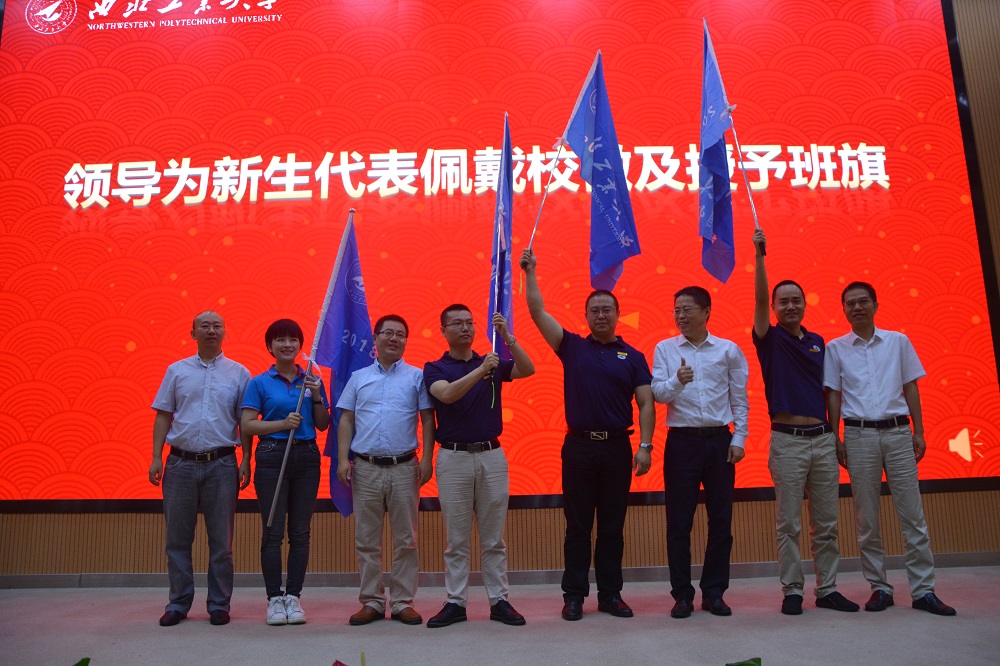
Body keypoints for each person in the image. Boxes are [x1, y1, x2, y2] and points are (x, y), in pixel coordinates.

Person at [520, 248, 655, 622]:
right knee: (577, 526)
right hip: (578, 447)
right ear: (586, 316)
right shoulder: (572, 347)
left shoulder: (634, 356)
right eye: (594, 310)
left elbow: (646, 403)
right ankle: (574, 596)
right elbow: (537, 312)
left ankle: (611, 595)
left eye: (607, 309)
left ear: (617, 314)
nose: (601, 315)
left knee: (612, 526)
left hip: (617, 448)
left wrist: (645, 446)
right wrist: (530, 273)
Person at [824, 281, 955, 616]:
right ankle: (879, 587)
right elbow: (834, 395)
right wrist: (836, 437)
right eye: (850, 303)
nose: (857, 307)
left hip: (899, 434)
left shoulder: (898, 341)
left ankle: (924, 590)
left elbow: (910, 386)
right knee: (867, 518)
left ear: (876, 305)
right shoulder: (835, 349)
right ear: (844, 309)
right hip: (859, 437)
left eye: (863, 301)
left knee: (913, 516)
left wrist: (919, 431)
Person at [751, 228, 858, 615]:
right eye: (783, 301)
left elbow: (831, 393)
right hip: (788, 441)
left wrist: (836, 436)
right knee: (789, 523)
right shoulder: (769, 338)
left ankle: (827, 589)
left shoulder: (818, 343)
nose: (790, 306)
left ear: (805, 304)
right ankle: (792, 590)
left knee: (827, 523)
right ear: (774, 307)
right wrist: (760, 257)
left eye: (796, 300)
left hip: (822, 440)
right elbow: (759, 299)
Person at [422, 306, 535, 628]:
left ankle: (499, 600)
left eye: (470, 323)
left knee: (494, 539)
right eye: (457, 323)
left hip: (491, 456)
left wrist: (507, 337)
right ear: (443, 331)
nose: (465, 328)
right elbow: (447, 395)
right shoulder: (435, 368)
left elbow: (528, 369)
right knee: (457, 540)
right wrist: (482, 369)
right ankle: (456, 602)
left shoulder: (491, 361)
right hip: (453, 457)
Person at [652, 286, 749, 619]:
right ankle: (682, 594)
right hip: (682, 443)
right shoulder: (665, 349)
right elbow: (658, 394)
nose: (680, 315)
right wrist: (677, 381)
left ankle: (714, 592)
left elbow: (740, 398)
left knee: (721, 520)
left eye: (687, 309)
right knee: (679, 522)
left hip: (720, 441)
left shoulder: (728, 350)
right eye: (676, 310)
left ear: (707, 311)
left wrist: (739, 438)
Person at [149, 310, 251, 627]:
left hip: (222, 464)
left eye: (217, 326)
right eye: (204, 326)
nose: (211, 330)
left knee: (222, 543)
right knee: (177, 541)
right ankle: (178, 603)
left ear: (224, 333)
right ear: (193, 333)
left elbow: (245, 421)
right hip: (179, 464)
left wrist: (247, 458)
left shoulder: (239, 374)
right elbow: (163, 415)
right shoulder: (176, 371)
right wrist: (156, 457)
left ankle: (219, 604)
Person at [337, 314, 435, 627]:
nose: (394, 338)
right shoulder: (358, 377)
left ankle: (403, 602)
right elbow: (346, 419)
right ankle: (372, 602)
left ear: (406, 340)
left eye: (400, 334)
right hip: (365, 468)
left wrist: (427, 458)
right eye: (388, 333)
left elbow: (428, 419)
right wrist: (342, 459)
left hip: (404, 467)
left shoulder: (417, 377)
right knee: (366, 540)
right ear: (376, 338)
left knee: (406, 540)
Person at [241, 319, 330, 626]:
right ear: (270, 346)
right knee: (272, 530)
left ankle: (293, 597)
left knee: (300, 531)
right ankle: (274, 599)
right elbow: (247, 425)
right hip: (272, 455)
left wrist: (316, 395)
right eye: (280, 339)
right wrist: (282, 424)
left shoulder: (312, 380)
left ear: (301, 346)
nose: (287, 344)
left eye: (293, 339)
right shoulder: (259, 383)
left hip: (306, 457)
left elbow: (322, 424)